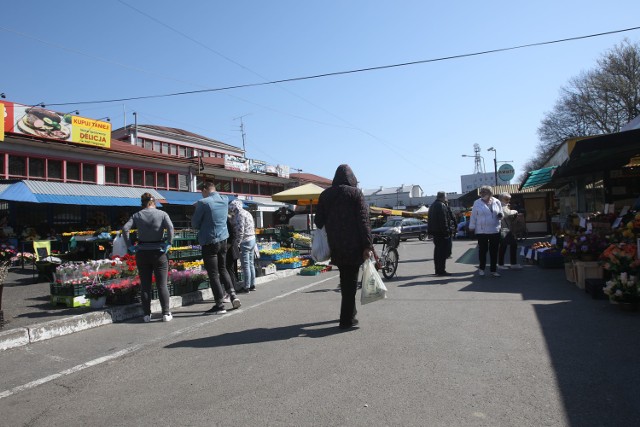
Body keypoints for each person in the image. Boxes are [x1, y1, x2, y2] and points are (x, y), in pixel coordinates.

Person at [314, 164, 373, 329]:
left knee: (346, 281)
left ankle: (350, 313)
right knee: (350, 283)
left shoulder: (325, 195)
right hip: (354, 245)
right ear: (351, 178)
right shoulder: (355, 193)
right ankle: (346, 319)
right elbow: (364, 221)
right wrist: (368, 245)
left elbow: (318, 221)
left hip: (336, 245)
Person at [122, 193, 174, 323]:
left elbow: (125, 229)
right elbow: (171, 227)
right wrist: (169, 242)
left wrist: (130, 246)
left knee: (145, 286)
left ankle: (146, 315)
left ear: (142, 203)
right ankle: (166, 313)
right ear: (153, 202)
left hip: (142, 252)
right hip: (159, 252)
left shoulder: (137, 215)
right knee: (162, 285)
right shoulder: (162, 214)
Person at [192, 182, 241, 314]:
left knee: (213, 273)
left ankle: (219, 304)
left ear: (205, 190)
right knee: (223, 268)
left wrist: (198, 209)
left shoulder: (203, 203)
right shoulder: (225, 199)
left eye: (202, 192)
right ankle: (233, 295)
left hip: (210, 241)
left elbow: (195, 223)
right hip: (223, 239)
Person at [468, 185, 503, 277]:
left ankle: (493, 270)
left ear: (490, 193)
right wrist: (471, 226)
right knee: (483, 250)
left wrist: (500, 215)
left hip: (494, 229)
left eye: (484, 192)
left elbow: (501, 212)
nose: (482, 194)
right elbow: (473, 216)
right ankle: (482, 268)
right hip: (481, 230)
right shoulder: (477, 202)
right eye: (481, 192)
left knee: (494, 251)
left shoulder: (497, 201)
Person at [229, 199, 257, 293]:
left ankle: (246, 286)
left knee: (246, 265)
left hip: (245, 241)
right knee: (251, 263)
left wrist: (237, 243)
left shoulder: (240, 215)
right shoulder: (247, 212)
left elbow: (241, 230)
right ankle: (252, 284)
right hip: (252, 239)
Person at [428, 191, 453, 276]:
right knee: (442, 253)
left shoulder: (432, 205)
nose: (446, 198)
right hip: (441, 232)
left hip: (435, 232)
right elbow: (443, 220)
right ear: (443, 197)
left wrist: (430, 232)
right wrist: (446, 232)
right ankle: (441, 270)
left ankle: (437, 270)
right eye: (446, 197)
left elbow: (430, 220)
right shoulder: (441, 205)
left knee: (437, 252)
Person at [498, 192, 522, 270]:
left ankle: (504, 264)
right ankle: (511, 264)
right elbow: (508, 213)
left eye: (509, 199)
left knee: (504, 246)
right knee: (511, 245)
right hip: (504, 229)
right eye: (507, 199)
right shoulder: (502, 205)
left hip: (503, 228)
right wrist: (515, 211)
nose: (508, 200)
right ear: (502, 199)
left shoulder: (501, 205)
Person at [225, 214, 241, 292]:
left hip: (231, 250)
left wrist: (228, 245)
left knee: (230, 269)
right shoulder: (230, 220)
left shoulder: (228, 221)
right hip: (231, 249)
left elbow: (233, 235)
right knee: (231, 269)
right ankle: (232, 289)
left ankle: (232, 290)